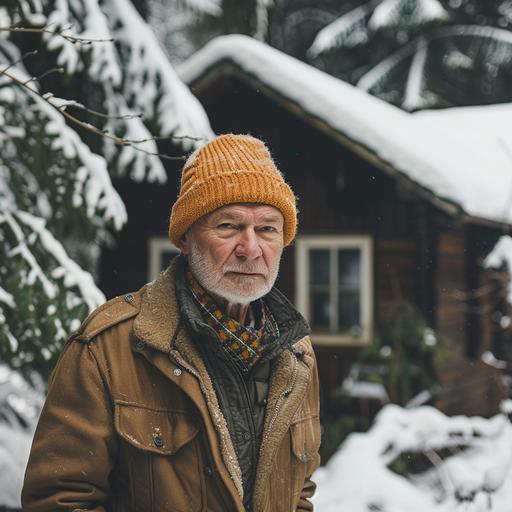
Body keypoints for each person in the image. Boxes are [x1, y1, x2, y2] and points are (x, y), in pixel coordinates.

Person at [22, 134, 321, 512]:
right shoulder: (109, 347)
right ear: (185, 237)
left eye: (267, 229)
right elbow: (59, 500)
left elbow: (298, 491)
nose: (250, 249)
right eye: (228, 226)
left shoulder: (296, 356)